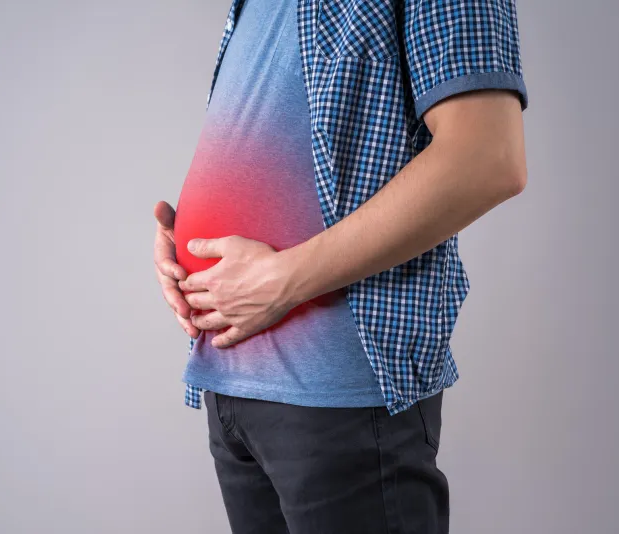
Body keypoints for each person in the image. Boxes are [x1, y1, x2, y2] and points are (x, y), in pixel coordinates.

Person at [153, 0, 528, 532]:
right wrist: (185, 237)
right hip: (230, 382)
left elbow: (487, 157)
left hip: (340, 396)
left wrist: (280, 281)